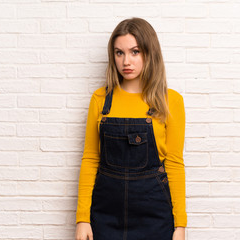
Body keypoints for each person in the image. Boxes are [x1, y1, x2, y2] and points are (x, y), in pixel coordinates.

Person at [75, 17, 187, 240]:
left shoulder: (170, 101)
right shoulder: (100, 100)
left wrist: (180, 225)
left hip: (154, 215)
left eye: (135, 52)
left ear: (149, 53)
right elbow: (90, 159)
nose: (126, 61)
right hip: (106, 214)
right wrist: (83, 219)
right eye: (119, 53)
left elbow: (174, 163)